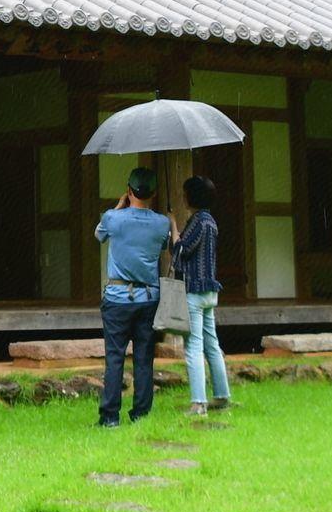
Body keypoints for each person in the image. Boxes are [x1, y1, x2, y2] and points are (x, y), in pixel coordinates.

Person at [95, 166, 174, 427]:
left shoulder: (113, 218)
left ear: (129, 191)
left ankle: (109, 417)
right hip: (149, 298)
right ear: (153, 193)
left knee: (114, 357)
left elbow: (99, 234)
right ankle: (141, 414)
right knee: (144, 358)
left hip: (118, 298)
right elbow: (163, 245)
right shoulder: (162, 222)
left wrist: (118, 207)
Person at [173, 174, 231, 415]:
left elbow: (181, 251)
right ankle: (222, 395)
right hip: (209, 291)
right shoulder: (211, 221)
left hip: (194, 291)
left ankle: (198, 402)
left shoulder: (198, 221)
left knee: (193, 346)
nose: (183, 197)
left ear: (192, 196)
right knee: (212, 345)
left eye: (186, 193)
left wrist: (173, 227)